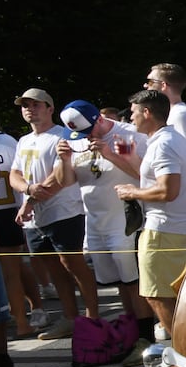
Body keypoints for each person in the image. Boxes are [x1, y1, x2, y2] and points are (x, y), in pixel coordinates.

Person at [111, 90, 186, 367]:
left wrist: (131, 192)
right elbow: (151, 177)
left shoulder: (165, 144)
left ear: (147, 112)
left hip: (164, 229)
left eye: (133, 111)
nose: (130, 116)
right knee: (168, 296)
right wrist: (117, 154)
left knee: (157, 296)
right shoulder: (166, 140)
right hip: (174, 228)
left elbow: (166, 191)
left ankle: (185, 359)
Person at [52, 101, 153, 343]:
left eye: (88, 131)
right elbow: (65, 182)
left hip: (124, 219)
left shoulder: (126, 135)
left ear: (98, 119)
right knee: (117, 281)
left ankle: (145, 336)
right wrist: (64, 160)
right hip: (95, 221)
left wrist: (110, 154)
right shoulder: (76, 140)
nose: (84, 138)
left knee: (132, 280)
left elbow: (142, 174)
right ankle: (129, 331)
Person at [9, 88, 101, 339]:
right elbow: (14, 174)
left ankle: (92, 317)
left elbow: (58, 178)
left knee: (73, 264)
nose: (29, 108)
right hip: (36, 218)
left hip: (64, 211)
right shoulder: (23, 140)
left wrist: (28, 201)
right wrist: (27, 190)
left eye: (36, 104)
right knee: (53, 268)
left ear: (50, 108)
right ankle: (70, 318)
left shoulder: (62, 136)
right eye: (25, 105)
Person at [0, 115, 38, 338]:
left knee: (11, 269)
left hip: (6, 212)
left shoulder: (6, 142)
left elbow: (17, 175)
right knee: (12, 269)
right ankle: (24, 315)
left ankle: (24, 318)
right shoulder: (9, 142)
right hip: (6, 212)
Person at [144, 64, 186, 162]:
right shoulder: (175, 113)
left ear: (163, 85)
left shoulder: (181, 115)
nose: (146, 85)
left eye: (150, 82)